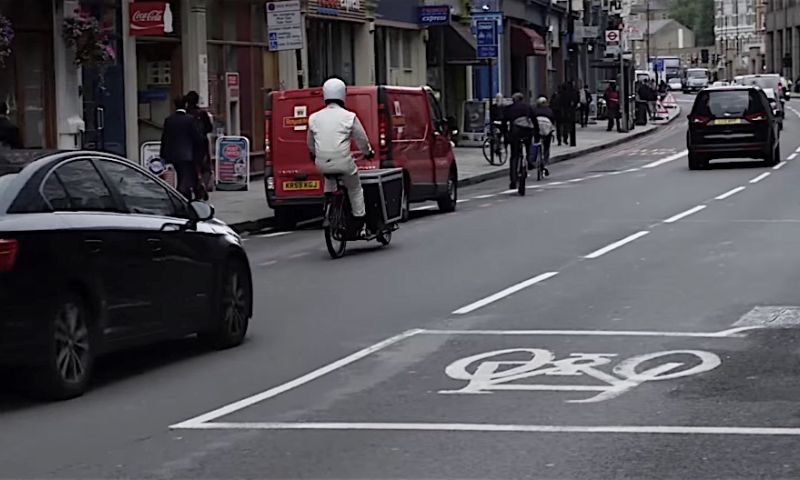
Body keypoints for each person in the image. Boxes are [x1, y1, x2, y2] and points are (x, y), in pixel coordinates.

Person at [307, 77, 374, 235]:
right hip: (343, 162)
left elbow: (310, 143)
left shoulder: (314, 118)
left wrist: (314, 154)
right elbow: (361, 139)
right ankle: (360, 221)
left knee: (329, 177)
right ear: (343, 94)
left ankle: (329, 205)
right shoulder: (349, 117)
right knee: (355, 188)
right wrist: (368, 152)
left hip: (322, 162)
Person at [161, 97, 205, 199]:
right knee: (185, 175)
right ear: (185, 105)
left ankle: (184, 192)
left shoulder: (169, 120)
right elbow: (197, 137)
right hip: (187, 154)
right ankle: (183, 194)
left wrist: (163, 154)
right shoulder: (190, 119)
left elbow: (165, 137)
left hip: (172, 153)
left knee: (181, 174)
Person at [503, 92, 538, 189]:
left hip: (515, 133)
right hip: (527, 132)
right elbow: (534, 120)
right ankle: (529, 160)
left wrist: (505, 136)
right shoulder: (527, 107)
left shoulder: (509, 109)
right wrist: (537, 134)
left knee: (514, 155)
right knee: (528, 146)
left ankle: (513, 179)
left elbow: (504, 123)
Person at [185, 91, 214, 200]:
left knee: (192, 168)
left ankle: (196, 186)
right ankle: (202, 185)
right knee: (206, 168)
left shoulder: (186, 114)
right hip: (202, 144)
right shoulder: (202, 114)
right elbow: (209, 128)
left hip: (189, 144)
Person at [532, 96, 555, 177]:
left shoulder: (534, 110)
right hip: (546, 129)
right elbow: (552, 120)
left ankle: (534, 159)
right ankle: (545, 163)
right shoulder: (549, 110)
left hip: (537, 129)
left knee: (536, 143)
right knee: (546, 146)